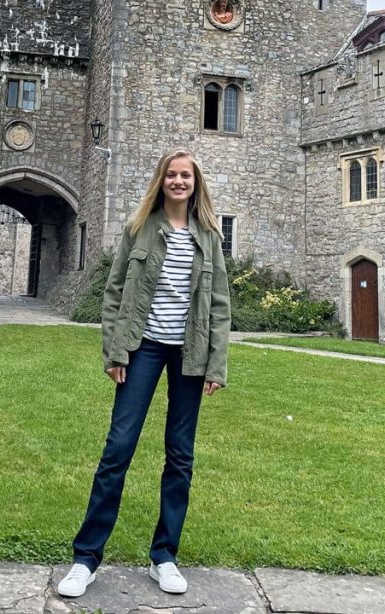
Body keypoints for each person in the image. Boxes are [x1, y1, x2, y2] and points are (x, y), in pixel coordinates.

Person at [57, 149, 231, 597]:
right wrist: (115, 352)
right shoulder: (139, 229)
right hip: (143, 348)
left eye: (185, 176)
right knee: (118, 449)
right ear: (161, 181)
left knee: (180, 456)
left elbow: (219, 306)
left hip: (189, 354)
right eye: (171, 175)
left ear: (196, 183)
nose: (178, 182)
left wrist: (217, 364)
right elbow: (115, 293)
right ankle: (86, 558)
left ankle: (164, 556)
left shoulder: (209, 235)